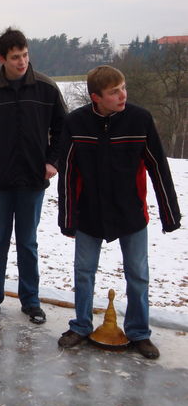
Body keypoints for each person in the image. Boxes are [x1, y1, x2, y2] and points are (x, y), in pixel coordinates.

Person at [56, 65, 181, 359]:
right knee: (83, 272)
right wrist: (68, 219)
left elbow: (158, 167)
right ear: (95, 97)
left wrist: (170, 214)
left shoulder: (140, 120)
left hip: (131, 214)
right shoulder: (76, 123)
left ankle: (139, 332)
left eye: (123, 88)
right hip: (89, 214)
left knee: (138, 274)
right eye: (114, 92)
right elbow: (67, 174)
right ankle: (81, 326)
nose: (123, 95)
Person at [0, 28, 66, 324]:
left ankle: (31, 301)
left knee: (28, 243)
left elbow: (63, 129)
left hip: (33, 180)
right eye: (15, 57)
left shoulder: (46, 89)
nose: (21, 62)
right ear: (2, 58)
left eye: (24, 55)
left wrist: (53, 162)